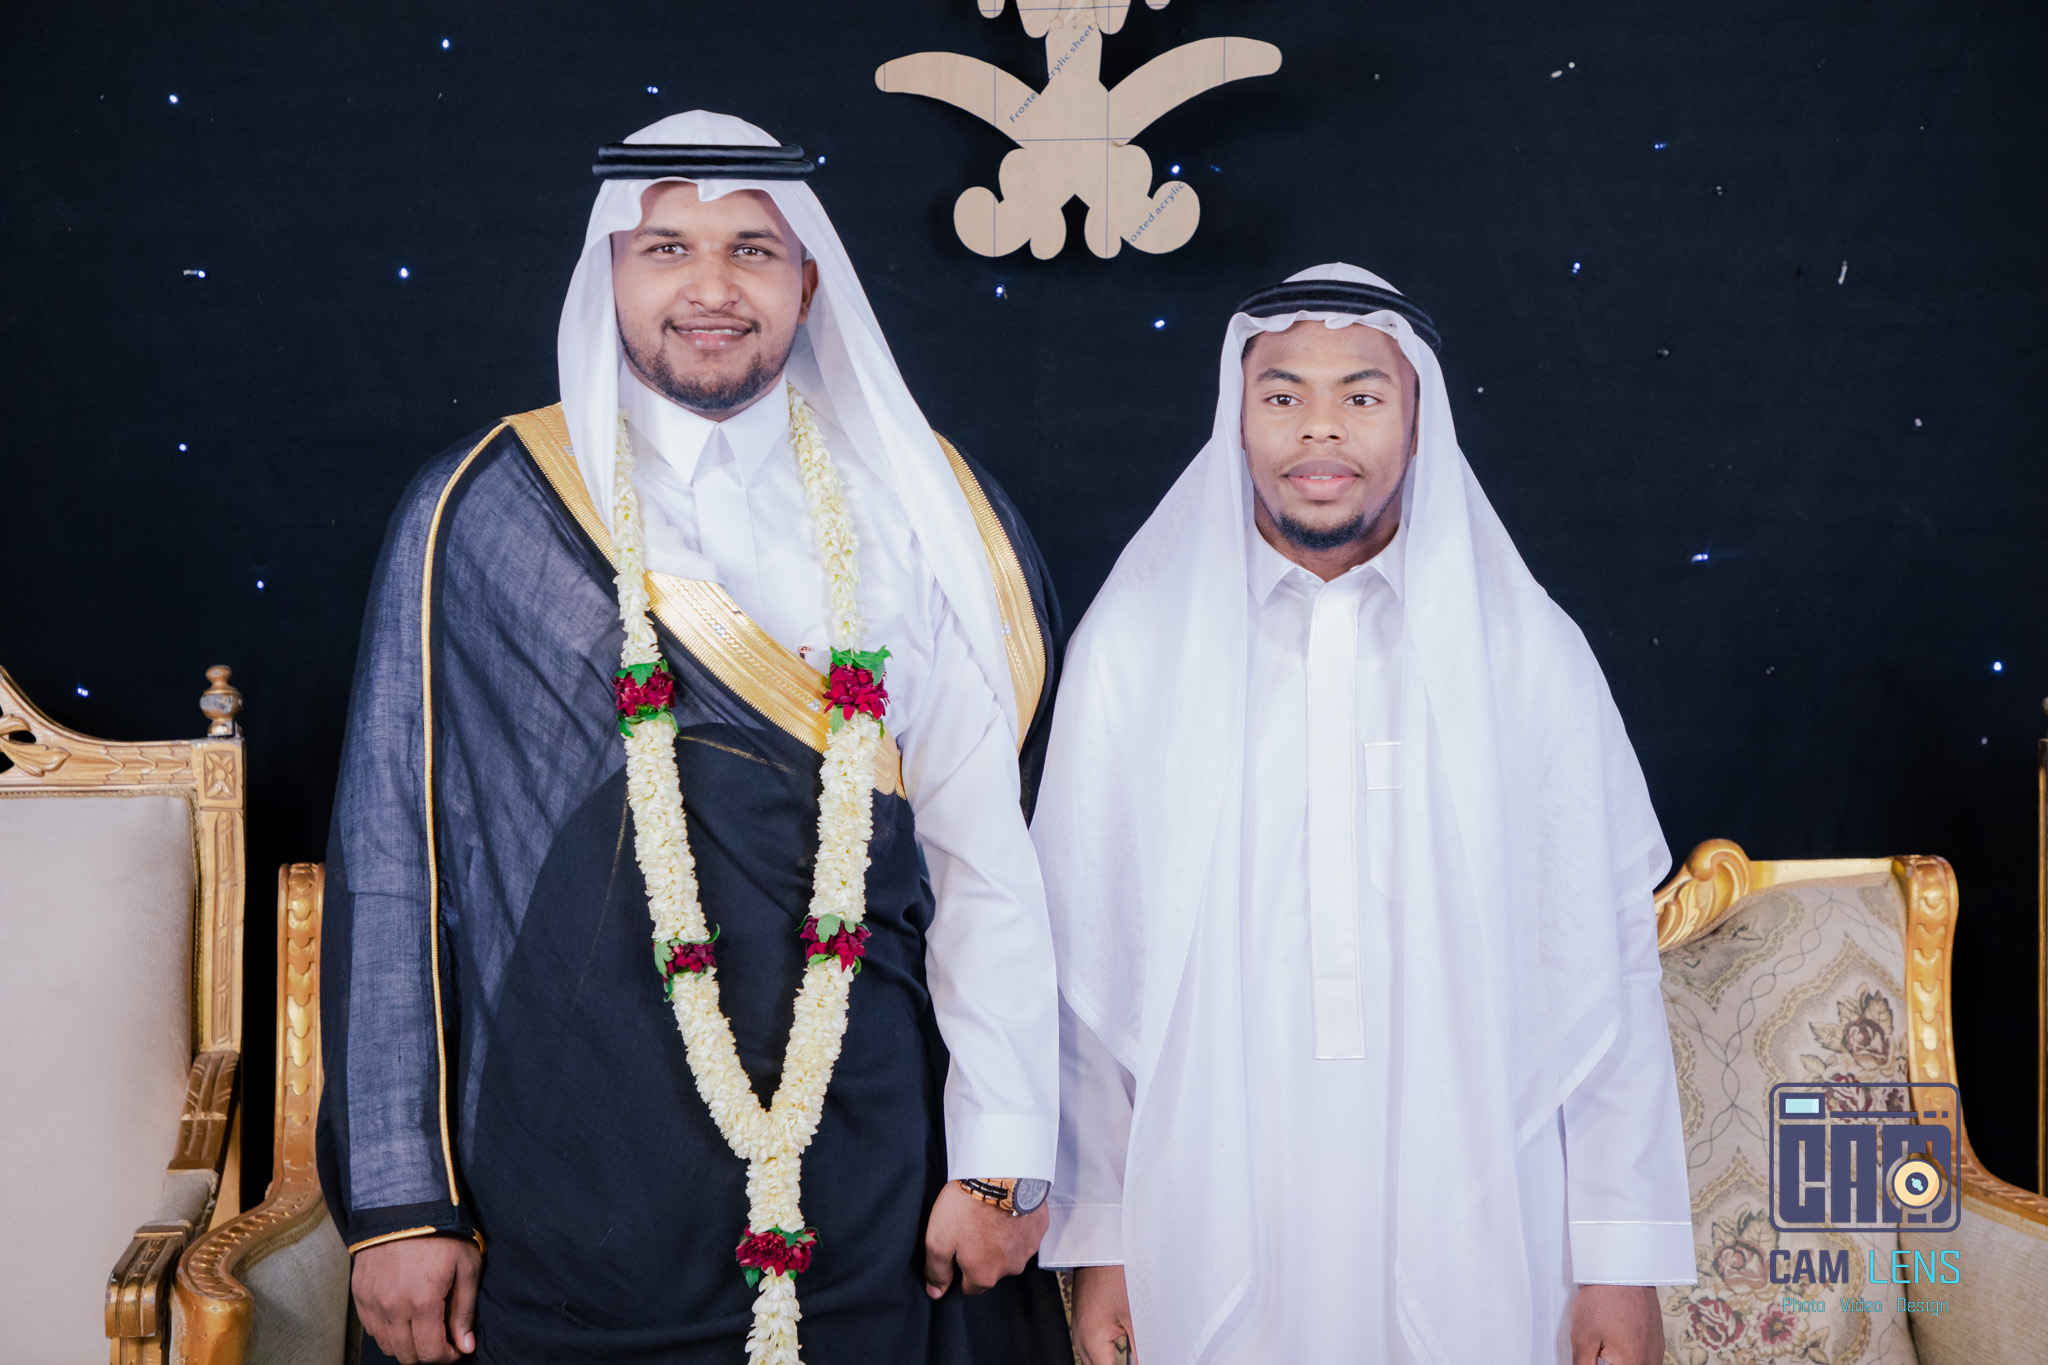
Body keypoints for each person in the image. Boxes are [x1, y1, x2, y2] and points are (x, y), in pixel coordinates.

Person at [320, 110, 1067, 1365]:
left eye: (751, 251)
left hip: (870, 1170)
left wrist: (1000, 1160)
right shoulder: (487, 510)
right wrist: (402, 1202)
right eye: (666, 247)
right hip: (564, 1179)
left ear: (807, 283)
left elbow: (982, 861)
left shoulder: (914, 509)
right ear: (607, 273)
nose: (711, 287)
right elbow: (397, 859)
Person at [1033, 265, 1695, 1364]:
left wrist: (1619, 1261)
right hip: (1208, 1209)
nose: (1320, 429)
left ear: (1418, 419)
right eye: (1282, 394)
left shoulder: (1524, 657)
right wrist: (1102, 1239)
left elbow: (1603, 973)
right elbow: (1086, 982)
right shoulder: (1136, 653)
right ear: (1236, 419)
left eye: (1361, 394)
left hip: (1480, 1212)